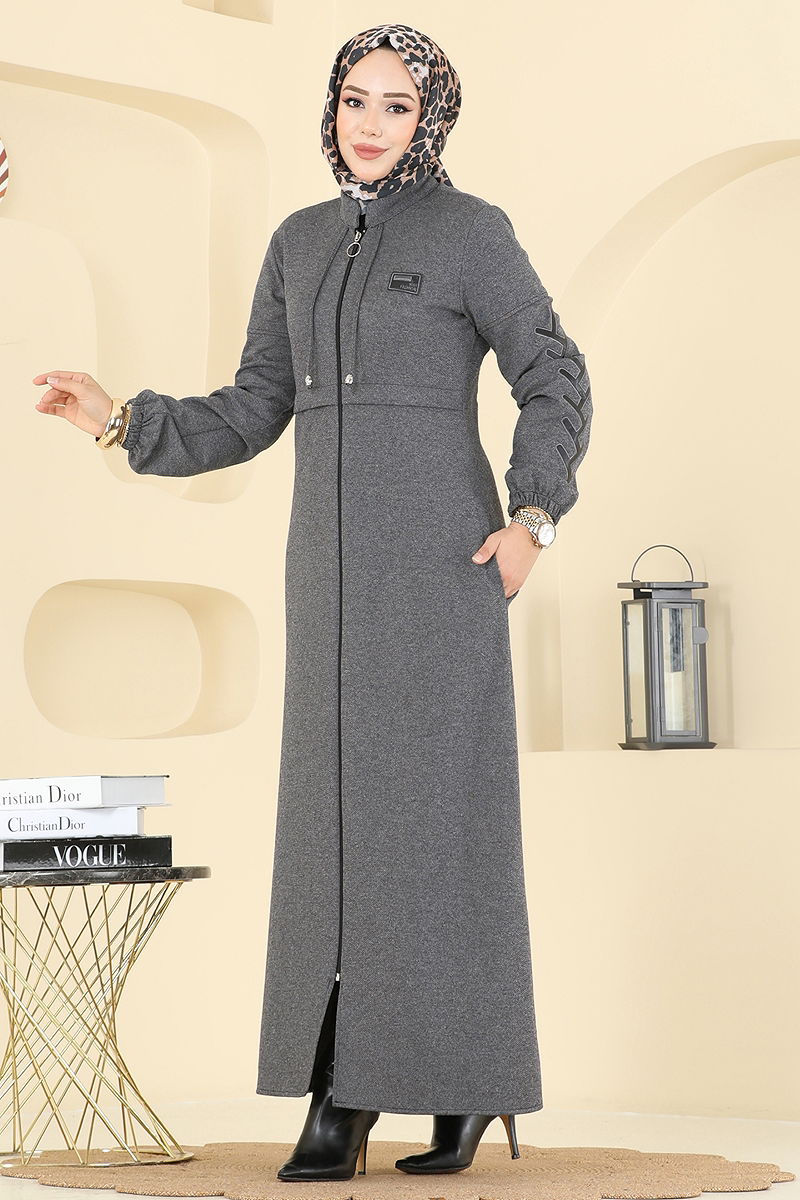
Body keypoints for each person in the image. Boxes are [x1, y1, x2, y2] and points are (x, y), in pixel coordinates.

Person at [32, 21, 592, 1184]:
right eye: (353, 99)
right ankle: (370, 1077)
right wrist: (119, 419)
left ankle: (402, 1086)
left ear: (430, 117)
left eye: (396, 104)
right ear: (330, 107)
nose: (369, 123)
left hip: (441, 568)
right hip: (325, 582)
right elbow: (251, 407)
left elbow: (552, 372)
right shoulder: (296, 242)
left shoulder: (470, 233)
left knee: (436, 829)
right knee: (331, 827)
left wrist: (531, 517)